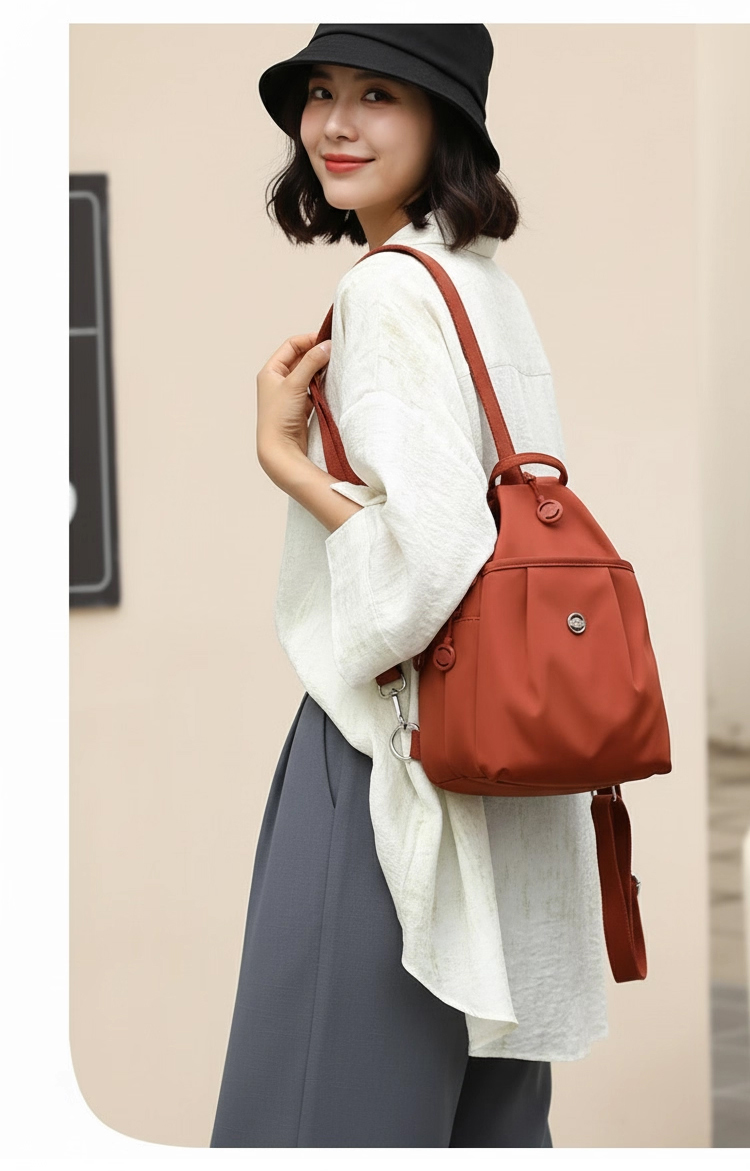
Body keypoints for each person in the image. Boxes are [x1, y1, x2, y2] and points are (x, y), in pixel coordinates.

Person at [210, 24, 608, 1149]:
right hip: (513, 755)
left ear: (446, 124)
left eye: (379, 94)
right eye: (320, 92)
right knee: (481, 1125)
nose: (335, 124)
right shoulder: (485, 286)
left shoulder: (388, 291)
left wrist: (284, 459)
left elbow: (432, 554)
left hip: (392, 751)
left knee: (320, 1117)